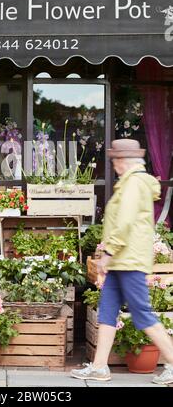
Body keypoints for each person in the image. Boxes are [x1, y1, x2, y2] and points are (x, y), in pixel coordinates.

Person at [71, 139, 173, 384]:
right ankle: (99, 367)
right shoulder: (130, 182)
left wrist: (107, 254)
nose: (114, 164)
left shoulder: (134, 184)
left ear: (126, 161)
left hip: (129, 261)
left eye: (116, 159)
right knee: (107, 310)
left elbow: (125, 222)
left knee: (142, 314)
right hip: (122, 260)